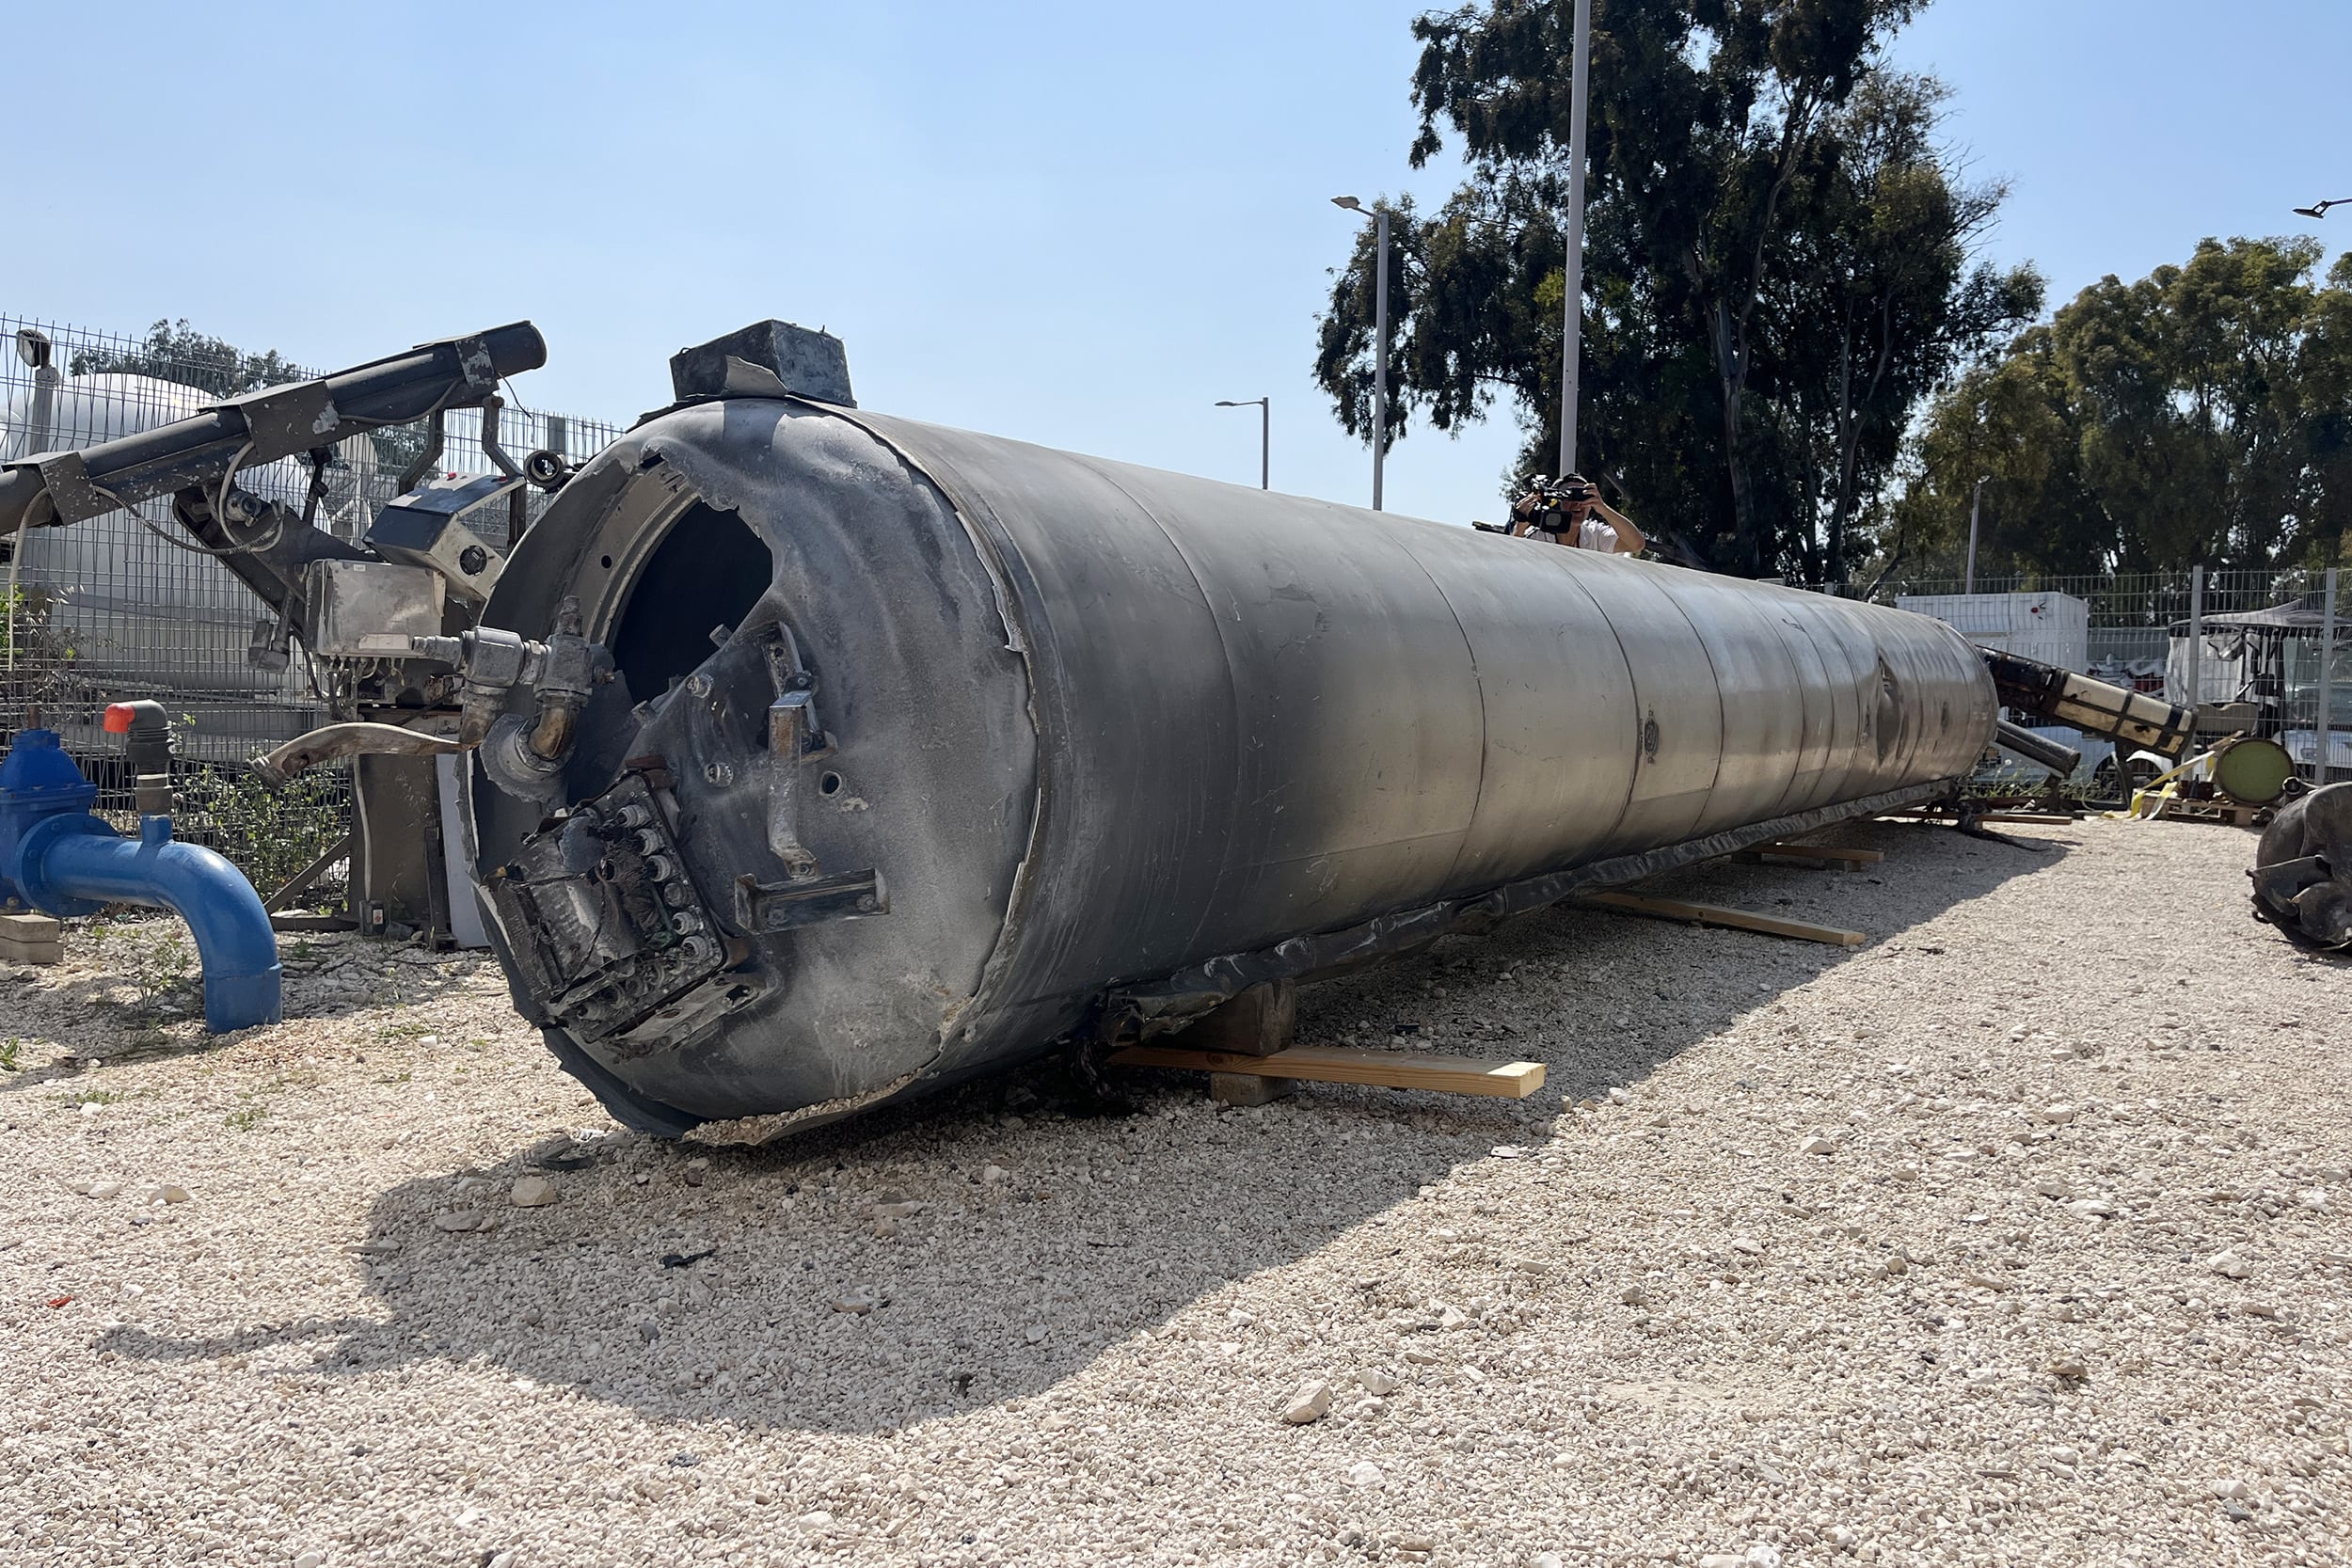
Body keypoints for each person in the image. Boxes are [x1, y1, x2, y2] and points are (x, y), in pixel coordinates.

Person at [1505, 473, 1646, 556]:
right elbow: (1512, 559)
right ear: (1557, 502)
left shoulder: (1594, 534)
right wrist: (1520, 526)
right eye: (1569, 496)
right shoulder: (1541, 536)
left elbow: (1636, 544)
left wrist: (1603, 508)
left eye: (1583, 497)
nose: (1577, 503)